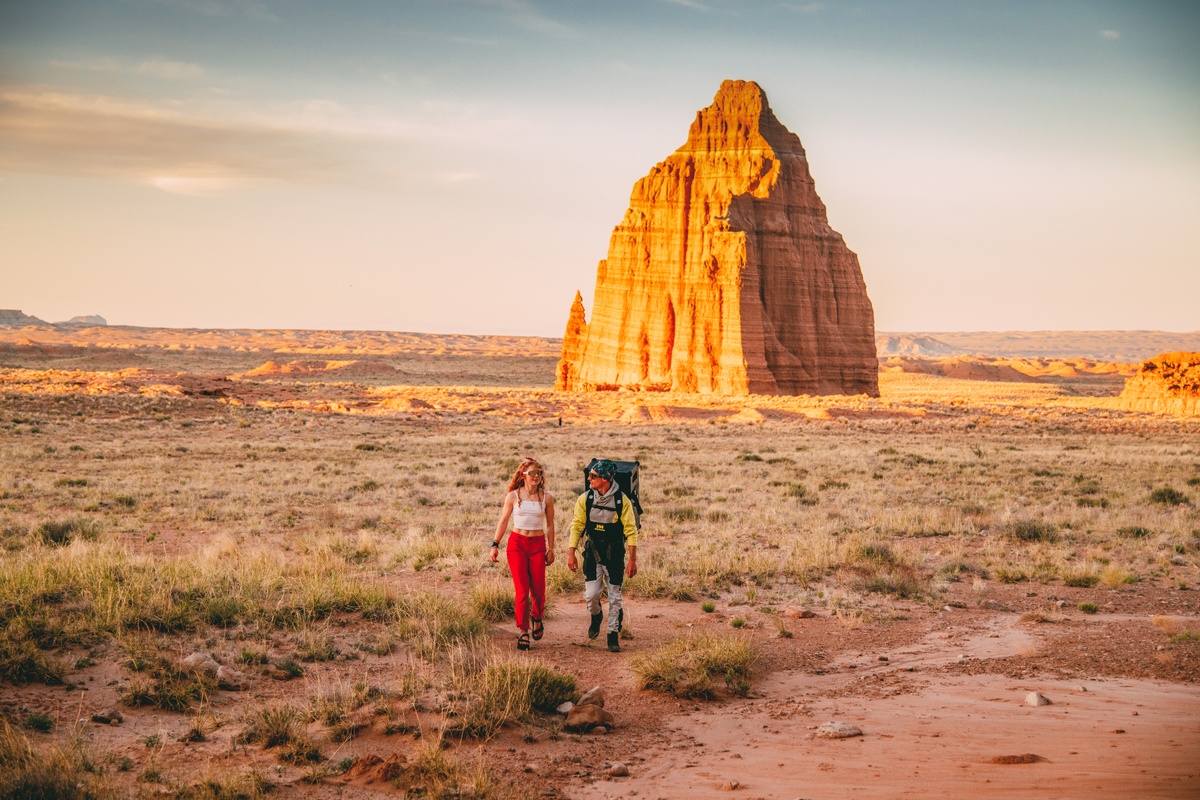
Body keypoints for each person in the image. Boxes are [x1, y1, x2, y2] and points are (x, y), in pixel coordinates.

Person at [566, 459, 638, 652]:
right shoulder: (585, 499)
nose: (588, 479)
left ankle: (613, 634)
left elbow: (631, 531)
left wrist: (632, 560)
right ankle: (596, 616)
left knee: (615, 597)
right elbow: (577, 526)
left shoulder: (622, 501)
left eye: (593, 476)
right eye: (589, 475)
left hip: (614, 554)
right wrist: (571, 551)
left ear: (606, 479)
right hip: (592, 553)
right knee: (591, 595)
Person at [491, 457, 555, 650]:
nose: (536, 477)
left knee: (538, 589)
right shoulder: (513, 496)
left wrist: (551, 549)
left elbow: (550, 525)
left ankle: (537, 617)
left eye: (539, 473)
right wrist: (495, 544)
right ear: (523, 475)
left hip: (537, 544)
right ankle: (523, 630)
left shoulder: (546, 497)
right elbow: (503, 521)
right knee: (521, 590)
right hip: (517, 544)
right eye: (532, 473)